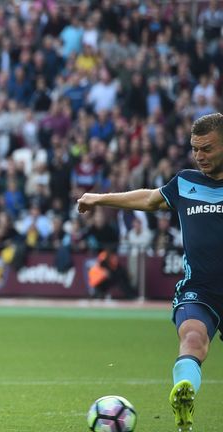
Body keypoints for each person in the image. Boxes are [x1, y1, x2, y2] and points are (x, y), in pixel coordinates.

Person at [76, 113, 223, 431]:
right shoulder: (186, 182)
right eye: (195, 149)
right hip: (199, 288)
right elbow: (150, 199)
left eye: (207, 149)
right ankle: (184, 395)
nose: (200, 156)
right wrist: (100, 198)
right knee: (193, 338)